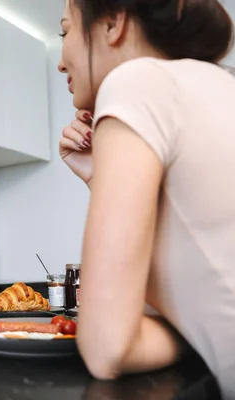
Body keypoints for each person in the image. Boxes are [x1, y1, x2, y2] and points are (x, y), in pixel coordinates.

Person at [57, 0, 235, 397]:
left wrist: (198, 331)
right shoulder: (220, 84)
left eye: (64, 31)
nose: (60, 61)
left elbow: (108, 349)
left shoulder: (136, 80)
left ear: (112, 24)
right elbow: (201, 269)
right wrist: (101, 177)